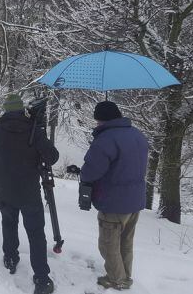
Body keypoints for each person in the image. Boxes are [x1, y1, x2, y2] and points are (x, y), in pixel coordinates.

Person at [0, 93, 59, 294]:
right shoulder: (33, 131)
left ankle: (10, 257)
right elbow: (53, 156)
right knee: (36, 234)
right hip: (29, 192)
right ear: (22, 109)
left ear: (6, 110)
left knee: (8, 223)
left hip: (4, 189)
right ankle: (41, 279)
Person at [79, 101, 149, 291]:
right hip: (134, 200)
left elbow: (91, 172)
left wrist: (83, 174)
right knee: (126, 242)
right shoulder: (137, 135)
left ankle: (116, 280)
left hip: (114, 201)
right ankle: (125, 276)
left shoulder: (106, 140)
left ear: (101, 119)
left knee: (108, 244)